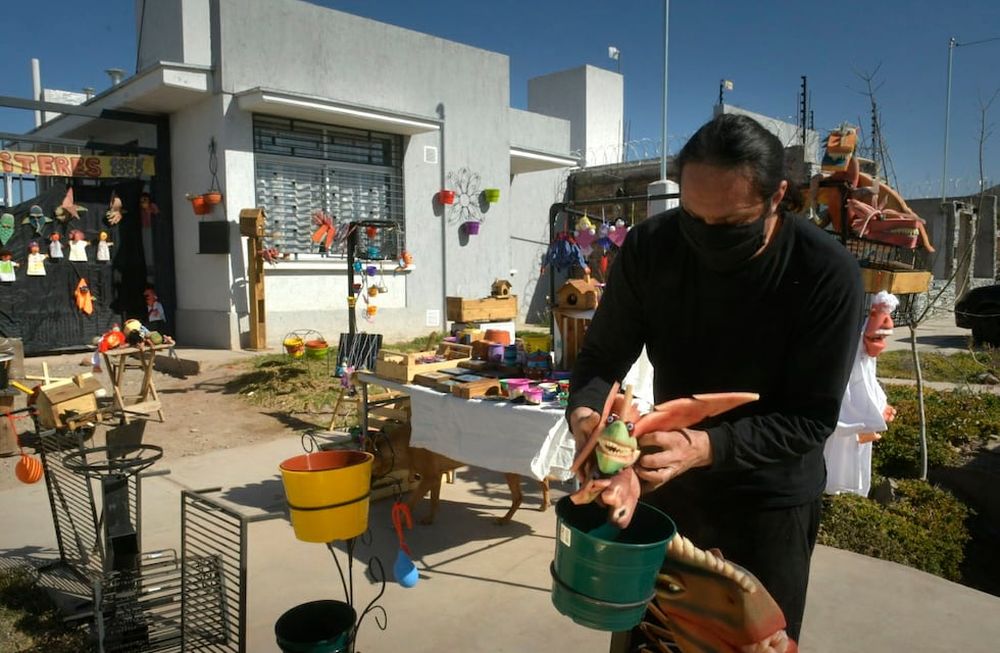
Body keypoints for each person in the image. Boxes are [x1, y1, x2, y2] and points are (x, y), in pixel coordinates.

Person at [567, 113, 864, 644]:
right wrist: (588, 419)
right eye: (691, 217)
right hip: (667, 485)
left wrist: (703, 446)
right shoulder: (651, 248)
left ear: (777, 197)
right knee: (652, 636)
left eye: (729, 224)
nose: (704, 239)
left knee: (749, 643)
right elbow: (600, 360)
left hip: (769, 500)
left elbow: (810, 416)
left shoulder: (825, 273)